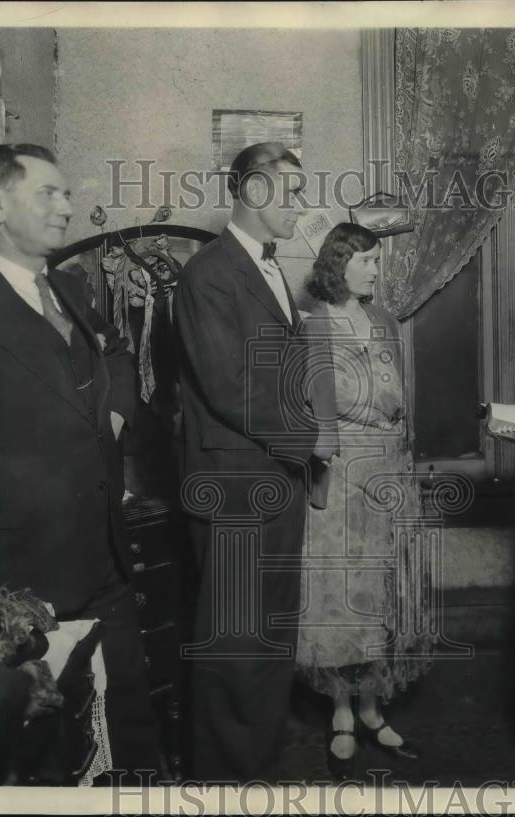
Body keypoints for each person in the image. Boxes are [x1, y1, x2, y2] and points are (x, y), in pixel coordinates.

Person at [0, 143, 163, 778]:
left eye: (67, 194)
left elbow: (118, 358)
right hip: (17, 585)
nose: (68, 208)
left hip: (105, 561)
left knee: (126, 734)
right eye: (49, 193)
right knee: (46, 757)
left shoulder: (70, 291)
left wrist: (113, 418)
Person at [174, 142, 330, 781]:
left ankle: (256, 767)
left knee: (268, 633)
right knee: (237, 642)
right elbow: (229, 382)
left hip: (272, 477)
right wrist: (311, 441)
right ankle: (224, 780)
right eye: (291, 192)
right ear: (255, 193)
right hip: (236, 484)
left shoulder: (265, 268)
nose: (300, 205)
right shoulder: (209, 273)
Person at [298, 223, 433, 779]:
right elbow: (315, 410)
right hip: (341, 470)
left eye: (378, 261)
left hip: (389, 470)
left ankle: (374, 707)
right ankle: (341, 711)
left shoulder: (385, 321)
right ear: (339, 263)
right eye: (366, 261)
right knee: (341, 591)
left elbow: (402, 398)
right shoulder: (312, 324)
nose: (376, 270)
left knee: (383, 592)